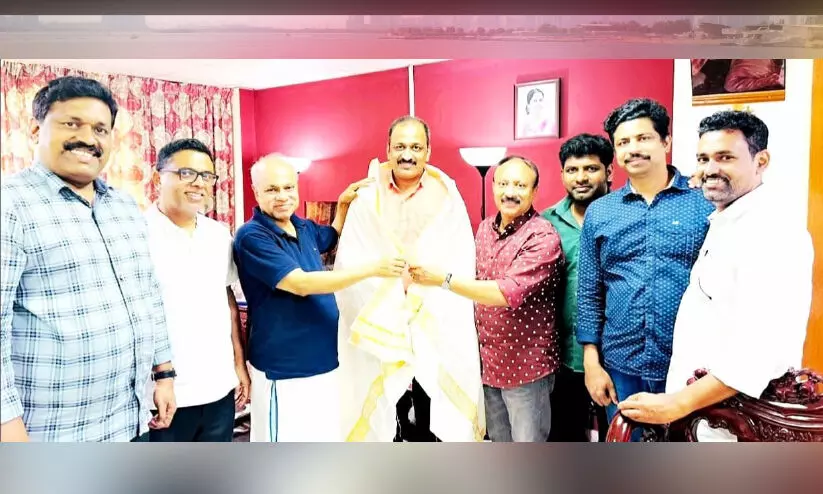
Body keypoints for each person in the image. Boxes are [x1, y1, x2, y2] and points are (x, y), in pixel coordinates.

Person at [616, 110, 813, 441]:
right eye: (703, 158)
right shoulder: (726, 220)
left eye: (725, 157)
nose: (709, 169)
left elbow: (760, 351)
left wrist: (677, 403)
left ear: (761, 161)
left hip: (734, 424)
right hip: (702, 416)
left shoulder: (771, 231)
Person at [0, 76, 176, 442]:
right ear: (36, 130)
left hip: (128, 421)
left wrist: (164, 374)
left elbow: (148, 294)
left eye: (100, 129)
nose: (88, 138)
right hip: (51, 434)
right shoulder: (11, 205)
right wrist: (6, 426)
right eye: (72, 123)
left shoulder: (124, 206)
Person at [233, 154, 404, 442]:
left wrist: (344, 205)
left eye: (288, 187)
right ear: (256, 191)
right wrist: (372, 269)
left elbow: (332, 235)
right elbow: (300, 283)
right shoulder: (252, 236)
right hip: (284, 369)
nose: (282, 196)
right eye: (272, 189)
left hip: (324, 361)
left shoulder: (303, 227)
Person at [335, 115, 485, 442]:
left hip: (434, 313)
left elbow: (460, 254)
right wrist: (388, 293)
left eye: (416, 147)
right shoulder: (367, 195)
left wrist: (427, 291)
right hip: (380, 314)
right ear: (388, 149)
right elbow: (352, 255)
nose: (407, 155)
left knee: (431, 397)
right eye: (400, 146)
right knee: (388, 401)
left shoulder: (447, 194)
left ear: (428, 151)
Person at [576, 98, 715, 435]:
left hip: (691, 364)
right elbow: (590, 291)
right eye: (623, 142)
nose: (633, 148)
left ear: (666, 141)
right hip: (622, 363)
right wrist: (591, 362)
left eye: (643, 138)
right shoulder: (601, 212)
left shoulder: (705, 202)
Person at [410, 155, 563, 442]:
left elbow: (506, 292)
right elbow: (466, 274)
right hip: (488, 364)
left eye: (520, 185)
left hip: (526, 370)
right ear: (493, 186)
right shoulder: (484, 229)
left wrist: (442, 280)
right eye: (503, 183)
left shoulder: (542, 237)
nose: (510, 192)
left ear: (534, 191)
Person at [144, 138, 251, 442]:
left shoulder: (218, 234)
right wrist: (159, 381)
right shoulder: (137, 234)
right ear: (158, 179)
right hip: (163, 395)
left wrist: (238, 364)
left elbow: (227, 301)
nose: (199, 183)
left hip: (218, 386)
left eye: (206, 176)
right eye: (186, 173)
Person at [541, 134, 613, 442]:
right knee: (563, 438)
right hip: (562, 356)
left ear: (609, 171)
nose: (581, 178)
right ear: (562, 175)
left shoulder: (624, 216)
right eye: (572, 170)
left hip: (614, 356)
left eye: (591, 169)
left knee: (618, 438)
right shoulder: (546, 223)